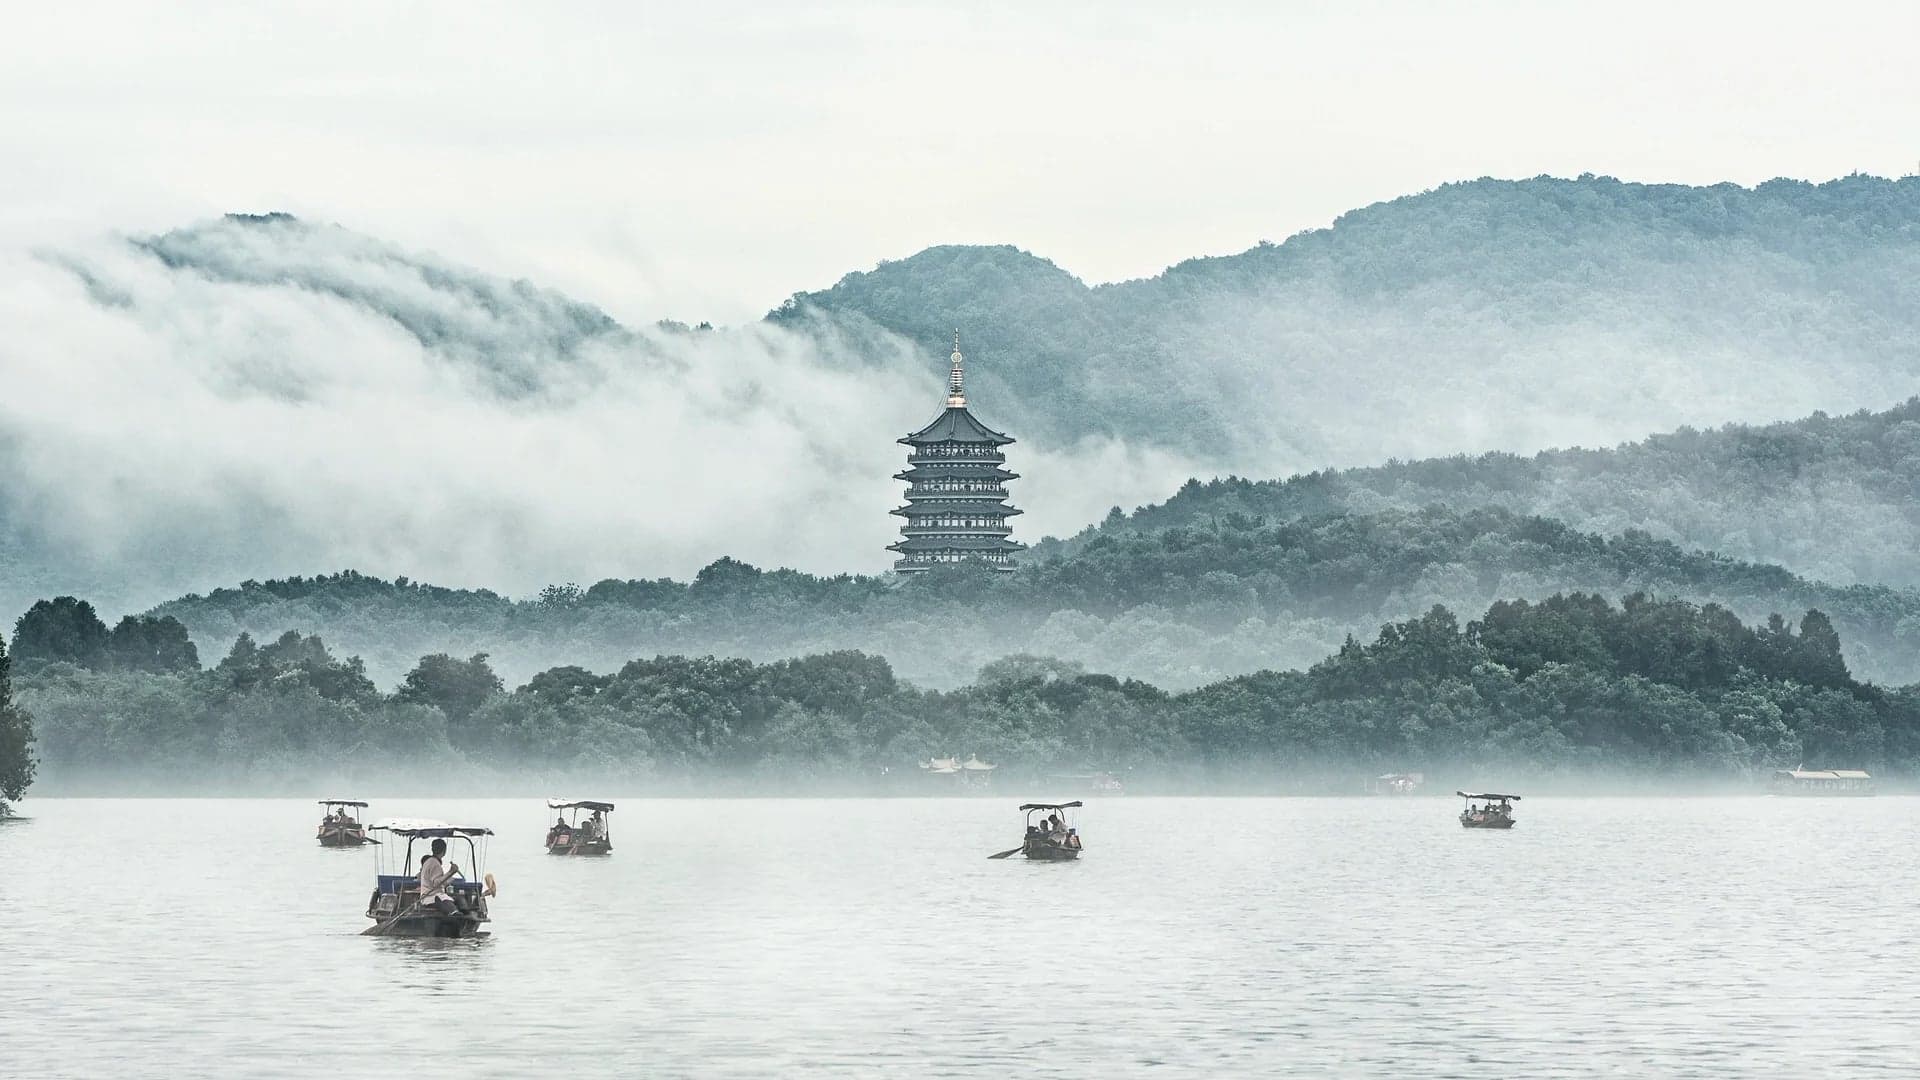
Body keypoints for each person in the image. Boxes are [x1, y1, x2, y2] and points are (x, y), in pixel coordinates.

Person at [417, 838, 461, 916]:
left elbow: (438, 882)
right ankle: (455, 914)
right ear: (444, 851)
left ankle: (463, 912)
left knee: (459, 900)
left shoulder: (429, 861)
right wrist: (450, 872)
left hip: (432, 895)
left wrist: (450, 877)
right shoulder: (434, 863)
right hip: (431, 896)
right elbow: (436, 883)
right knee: (444, 900)